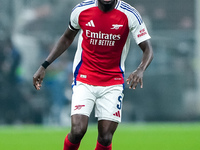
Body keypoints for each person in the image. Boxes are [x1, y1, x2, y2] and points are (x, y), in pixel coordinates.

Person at [33, 0, 153, 149]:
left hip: (112, 82)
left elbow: (148, 49)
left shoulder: (130, 14)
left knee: (105, 137)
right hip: (84, 79)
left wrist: (141, 69)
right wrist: (44, 65)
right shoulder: (81, 10)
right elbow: (66, 38)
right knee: (77, 130)